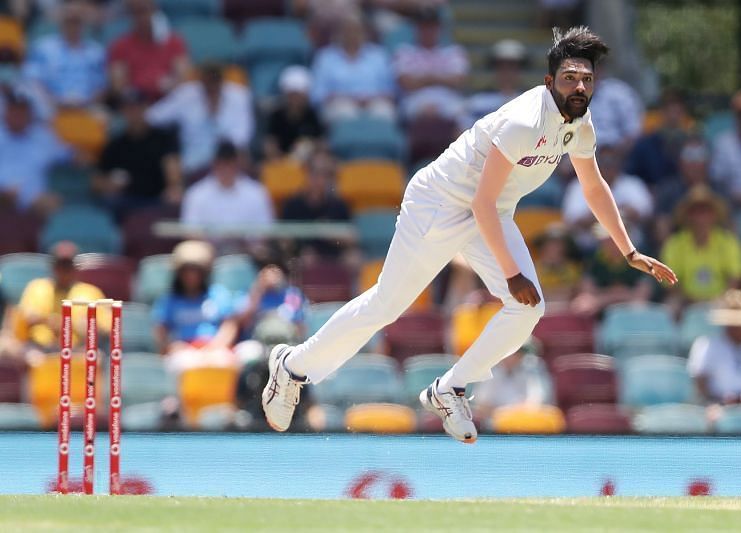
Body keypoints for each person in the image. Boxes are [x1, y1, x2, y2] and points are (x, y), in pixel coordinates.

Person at [262, 27, 676, 443]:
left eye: (586, 78)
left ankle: (449, 388)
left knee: (528, 309)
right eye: (570, 77)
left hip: (489, 212)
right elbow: (480, 204)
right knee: (387, 305)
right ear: (549, 82)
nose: (580, 85)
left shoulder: (581, 124)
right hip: (439, 204)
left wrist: (629, 250)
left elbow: (592, 185)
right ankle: (292, 366)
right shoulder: (523, 122)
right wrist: (512, 273)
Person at [146, 63, 254, 175]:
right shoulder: (186, 95)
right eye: (207, 82)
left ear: (221, 81)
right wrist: (174, 88)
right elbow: (152, 117)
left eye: (215, 81)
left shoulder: (240, 96)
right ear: (201, 81)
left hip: (228, 162)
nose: (211, 86)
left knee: (242, 157)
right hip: (194, 166)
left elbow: (243, 136)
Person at [152, 240, 241, 372]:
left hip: (214, 349)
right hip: (183, 351)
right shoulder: (169, 300)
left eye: (196, 271)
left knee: (224, 361)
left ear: (204, 273)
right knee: (181, 363)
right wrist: (171, 346)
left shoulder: (218, 295)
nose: (191, 276)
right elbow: (160, 331)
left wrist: (217, 346)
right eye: (186, 271)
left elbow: (230, 325)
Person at [94, 88, 182, 219]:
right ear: (122, 111)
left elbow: (172, 166)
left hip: (157, 198)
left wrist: (174, 186)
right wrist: (110, 185)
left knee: (174, 199)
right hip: (126, 201)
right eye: (129, 108)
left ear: (145, 108)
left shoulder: (162, 138)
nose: (133, 112)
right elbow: (97, 180)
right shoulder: (116, 144)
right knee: (108, 203)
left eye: (137, 107)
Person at [12, 241, 109, 358]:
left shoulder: (90, 292)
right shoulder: (37, 288)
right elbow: (22, 321)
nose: (64, 271)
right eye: (60, 265)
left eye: (68, 266)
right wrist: (41, 320)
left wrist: (76, 325)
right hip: (40, 350)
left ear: (76, 268)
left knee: (95, 356)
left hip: (77, 350)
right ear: (53, 267)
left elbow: (106, 329)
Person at [661, 184, 741, 308]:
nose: (701, 217)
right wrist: (691, 300)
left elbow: (735, 278)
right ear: (688, 216)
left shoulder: (727, 241)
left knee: (738, 302)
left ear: (714, 215)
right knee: (672, 304)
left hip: (722, 302)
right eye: (696, 211)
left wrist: (720, 300)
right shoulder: (675, 243)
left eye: (706, 211)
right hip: (685, 303)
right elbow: (669, 281)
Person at [562, 143, 653, 251]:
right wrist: (617, 212)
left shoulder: (632, 183)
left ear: (619, 163)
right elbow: (574, 221)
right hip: (589, 248)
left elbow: (645, 213)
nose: (608, 166)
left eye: (612, 161)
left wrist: (600, 213)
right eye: (604, 161)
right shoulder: (577, 185)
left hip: (631, 246)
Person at [310, 13, 396, 123]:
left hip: (374, 102)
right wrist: (348, 98)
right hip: (338, 104)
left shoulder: (378, 55)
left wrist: (369, 99)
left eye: (356, 30)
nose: (352, 34)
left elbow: (390, 91)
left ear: (364, 32)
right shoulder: (325, 57)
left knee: (383, 113)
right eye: (347, 30)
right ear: (339, 33)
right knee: (346, 113)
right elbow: (318, 94)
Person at [22, 0, 106, 109]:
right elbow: (33, 81)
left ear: (83, 24)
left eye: (76, 21)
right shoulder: (43, 48)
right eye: (69, 21)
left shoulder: (96, 52)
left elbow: (102, 87)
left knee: (102, 116)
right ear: (61, 22)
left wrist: (85, 103)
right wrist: (54, 102)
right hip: (50, 106)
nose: (72, 26)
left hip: (87, 108)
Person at [0, 87, 71, 214]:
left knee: (54, 204)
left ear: (30, 114)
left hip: (36, 204)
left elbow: (72, 155)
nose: (17, 115)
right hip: (2, 199)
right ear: (5, 113)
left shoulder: (44, 137)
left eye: (22, 111)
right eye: (13, 111)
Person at [393, 6, 468, 120]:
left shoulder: (454, 52)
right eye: (424, 26)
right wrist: (440, 78)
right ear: (416, 28)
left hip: (448, 99)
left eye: (431, 27)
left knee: (462, 114)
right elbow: (407, 83)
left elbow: (458, 81)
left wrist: (424, 78)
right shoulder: (404, 52)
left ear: (439, 28)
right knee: (416, 112)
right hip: (415, 99)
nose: (427, 31)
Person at [108, 0, 190, 103]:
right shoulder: (120, 45)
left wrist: (169, 85)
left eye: (146, 11)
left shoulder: (174, 42)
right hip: (136, 103)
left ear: (155, 12)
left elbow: (183, 77)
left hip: (168, 100)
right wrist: (139, 91)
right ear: (131, 16)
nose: (143, 17)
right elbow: (118, 85)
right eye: (137, 12)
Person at [181, 141, 274, 229]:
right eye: (222, 165)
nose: (226, 169)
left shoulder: (257, 193)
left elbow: (265, 231)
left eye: (230, 164)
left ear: (237, 164)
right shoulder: (196, 194)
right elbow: (191, 232)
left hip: (246, 246)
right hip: (207, 245)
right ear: (214, 164)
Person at [571, 223, 653, 316]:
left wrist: (607, 297)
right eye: (606, 239)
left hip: (633, 315)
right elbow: (588, 295)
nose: (609, 242)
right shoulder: (593, 261)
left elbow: (642, 296)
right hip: (601, 313)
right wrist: (615, 295)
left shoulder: (639, 260)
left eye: (614, 238)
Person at [625, 90, 693, 187]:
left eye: (677, 112)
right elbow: (632, 174)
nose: (673, 116)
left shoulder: (690, 144)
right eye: (670, 111)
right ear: (662, 112)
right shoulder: (645, 145)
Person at [463, 39, 527, 130]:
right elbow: (463, 132)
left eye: (512, 67)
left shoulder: (534, 102)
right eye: (502, 67)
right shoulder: (478, 102)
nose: (507, 73)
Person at [264, 66, 324, 162]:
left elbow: (321, 143)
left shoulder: (312, 115)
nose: (295, 100)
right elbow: (270, 144)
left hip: (308, 163)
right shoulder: (276, 116)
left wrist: (309, 149)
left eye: (299, 95)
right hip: (281, 163)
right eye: (292, 95)